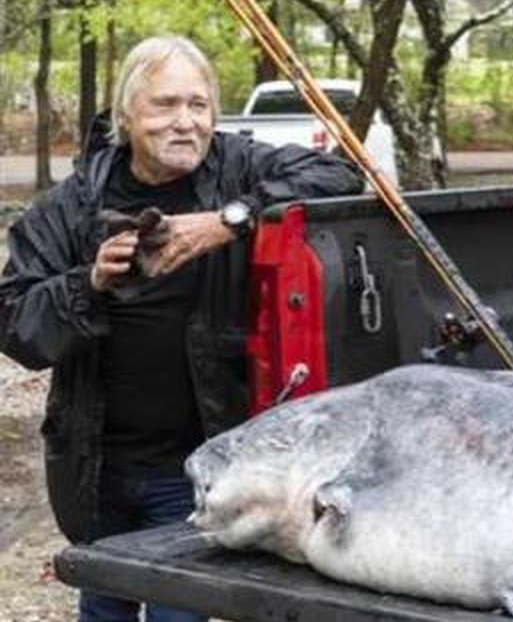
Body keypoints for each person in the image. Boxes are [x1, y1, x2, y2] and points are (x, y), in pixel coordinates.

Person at [0, 36, 363, 622]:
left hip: (198, 464)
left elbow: (342, 175)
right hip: (97, 469)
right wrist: (87, 282)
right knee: (102, 608)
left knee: (180, 613)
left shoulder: (238, 168)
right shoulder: (70, 205)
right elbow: (15, 325)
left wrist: (229, 221)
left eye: (199, 105)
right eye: (165, 104)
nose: (185, 122)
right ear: (126, 116)